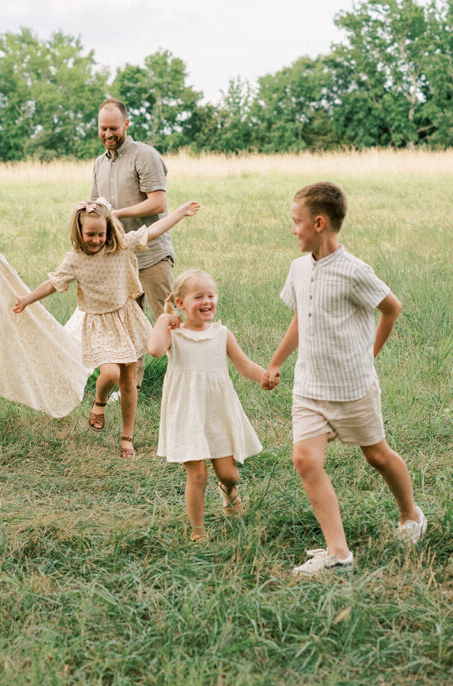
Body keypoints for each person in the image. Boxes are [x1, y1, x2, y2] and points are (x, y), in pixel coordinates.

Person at [263, 181, 427, 576]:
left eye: (296, 222)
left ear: (318, 223)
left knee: (377, 456)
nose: (292, 230)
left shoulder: (354, 271)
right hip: (309, 388)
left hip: (353, 388)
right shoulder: (299, 269)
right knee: (305, 459)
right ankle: (338, 554)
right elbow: (301, 317)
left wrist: (370, 353)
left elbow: (391, 308)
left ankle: (411, 516)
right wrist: (276, 361)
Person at [13, 197, 199, 458]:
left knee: (129, 383)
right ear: (79, 232)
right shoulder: (74, 260)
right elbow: (52, 284)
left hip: (126, 318)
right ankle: (99, 402)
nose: (96, 239)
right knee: (110, 373)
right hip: (98, 323)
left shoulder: (120, 247)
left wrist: (179, 212)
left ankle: (127, 437)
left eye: (101, 234)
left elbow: (153, 231)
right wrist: (26, 299)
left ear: (109, 230)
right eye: (90, 234)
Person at [148, 269, 272, 542]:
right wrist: (163, 319)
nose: (207, 301)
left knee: (229, 474)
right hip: (187, 413)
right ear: (180, 303)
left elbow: (244, 365)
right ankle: (198, 530)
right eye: (198, 296)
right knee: (198, 475)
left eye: (211, 295)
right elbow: (155, 350)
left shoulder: (221, 334)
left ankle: (229, 492)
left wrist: (263, 376)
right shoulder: (175, 335)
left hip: (217, 410)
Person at [90, 98, 175, 388]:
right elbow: (96, 206)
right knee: (127, 328)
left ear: (126, 124)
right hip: (120, 260)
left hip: (152, 256)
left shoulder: (144, 155)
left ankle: (187, 378)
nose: (108, 134)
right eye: (103, 128)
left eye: (114, 128)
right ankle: (132, 387)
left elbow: (157, 203)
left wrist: (116, 212)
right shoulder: (99, 164)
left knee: (168, 319)